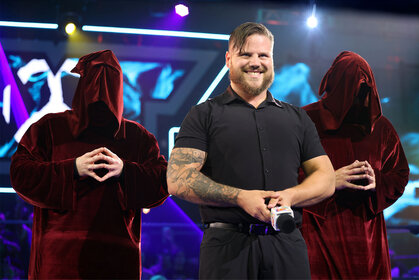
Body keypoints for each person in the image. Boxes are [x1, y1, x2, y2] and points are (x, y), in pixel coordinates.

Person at [167, 22, 335, 279]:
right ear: (228, 59)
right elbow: (177, 180)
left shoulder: (297, 118)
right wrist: (239, 197)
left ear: (272, 60)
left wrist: (291, 196)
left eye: (263, 55)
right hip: (226, 247)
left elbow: (326, 178)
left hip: (287, 246)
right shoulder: (203, 114)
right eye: (246, 54)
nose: (255, 62)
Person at [10, 50, 168, 279]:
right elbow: (20, 174)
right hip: (61, 263)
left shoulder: (137, 138)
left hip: (112, 262)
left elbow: (163, 182)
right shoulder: (50, 128)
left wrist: (125, 170)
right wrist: (72, 168)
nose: (100, 92)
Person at [300, 51, 409, 279]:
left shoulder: (380, 128)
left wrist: (376, 179)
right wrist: (329, 181)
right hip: (318, 236)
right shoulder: (305, 120)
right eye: (354, 90)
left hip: (367, 242)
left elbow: (399, 175)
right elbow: (281, 173)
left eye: (364, 92)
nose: (360, 99)